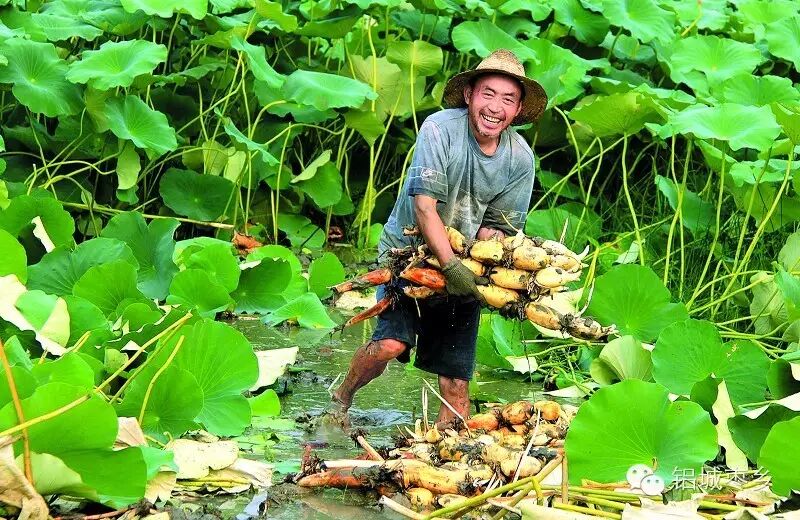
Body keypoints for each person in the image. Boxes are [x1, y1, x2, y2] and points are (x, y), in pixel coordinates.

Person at [329, 49, 548, 427]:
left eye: (508, 99)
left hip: (464, 263)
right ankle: (341, 397)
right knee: (390, 345)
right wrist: (448, 265)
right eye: (488, 94)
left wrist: (484, 274)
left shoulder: (520, 159)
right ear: (469, 96)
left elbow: (495, 228)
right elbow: (425, 208)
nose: (495, 107)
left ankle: (447, 455)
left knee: (456, 383)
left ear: (517, 110)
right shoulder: (439, 129)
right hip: (408, 254)